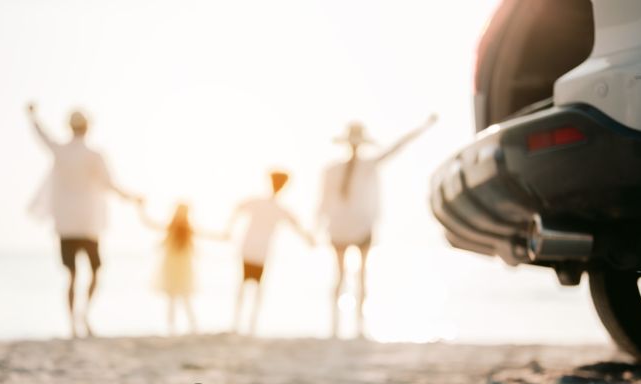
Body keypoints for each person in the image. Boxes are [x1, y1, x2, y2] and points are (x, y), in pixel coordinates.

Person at [27, 103, 143, 338]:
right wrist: (130, 197)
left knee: (71, 275)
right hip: (89, 224)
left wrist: (33, 116)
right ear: (88, 128)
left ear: (70, 127)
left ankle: (73, 323)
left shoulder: (62, 151)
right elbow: (110, 184)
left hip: (66, 225)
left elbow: (43, 136)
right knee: (95, 272)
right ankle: (84, 315)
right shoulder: (94, 155)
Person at [319, 115, 436, 338]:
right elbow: (323, 201)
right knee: (353, 275)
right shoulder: (347, 168)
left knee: (347, 275)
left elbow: (322, 203)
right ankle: (345, 325)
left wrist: (422, 127)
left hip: (350, 227)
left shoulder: (342, 168)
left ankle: (347, 325)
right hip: (349, 227)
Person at [227, 171, 313, 335]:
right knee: (254, 287)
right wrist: (309, 239)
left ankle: (240, 324)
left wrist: (228, 230)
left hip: (253, 250)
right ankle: (246, 325)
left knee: (244, 286)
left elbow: (237, 208)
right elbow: (297, 226)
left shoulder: (262, 204)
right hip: (257, 251)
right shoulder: (276, 208)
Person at [137, 202, 223, 335]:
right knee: (172, 298)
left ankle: (192, 326)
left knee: (185, 297)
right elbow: (150, 223)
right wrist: (140, 209)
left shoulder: (189, 229)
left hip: (184, 268)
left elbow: (208, 234)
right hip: (171, 267)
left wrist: (223, 236)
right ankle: (172, 328)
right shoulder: (170, 228)